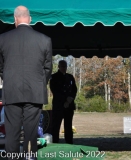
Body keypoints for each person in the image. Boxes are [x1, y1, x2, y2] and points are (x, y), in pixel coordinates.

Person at [0, 5, 52, 160]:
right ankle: (29, 157)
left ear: (15, 19)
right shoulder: (44, 40)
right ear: (29, 19)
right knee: (30, 132)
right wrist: (38, 83)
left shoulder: (2, 39)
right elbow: (47, 68)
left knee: (12, 133)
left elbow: (1, 67)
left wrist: (9, 79)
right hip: (34, 92)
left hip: (12, 91)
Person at [50, 60, 77, 144]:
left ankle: (69, 141)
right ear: (58, 67)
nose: (63, 68)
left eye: (65, 67)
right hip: (59, 105)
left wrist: (70, 99)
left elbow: (74, 89)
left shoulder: (70, 77)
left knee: (68, 125)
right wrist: (64, 102)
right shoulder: (54, 77)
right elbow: (55, 90)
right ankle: (55, 141)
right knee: (56, 125)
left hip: (69, 105)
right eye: (62, 67)